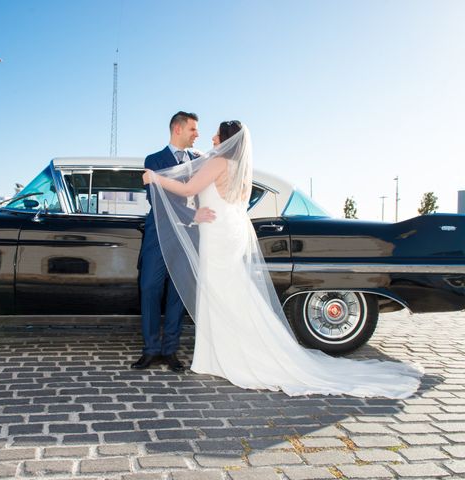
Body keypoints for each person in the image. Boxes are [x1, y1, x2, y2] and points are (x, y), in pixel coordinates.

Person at [142, 120, 423, 398]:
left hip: (216, 235)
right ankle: (225, 354)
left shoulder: (216, 163)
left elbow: (190, 191)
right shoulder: (238, 167)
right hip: (227, 232)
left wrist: (154, 177)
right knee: (231, 294)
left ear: (227, 139)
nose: (211, 137)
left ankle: (223, 357)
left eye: (217, 134)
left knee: (221, 294)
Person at [132, 111, 216, 373]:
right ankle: (150, 350)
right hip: (159, 232)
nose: (197, 134)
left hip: (189, 234)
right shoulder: (154, 160)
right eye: (193, 129)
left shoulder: (200, 161)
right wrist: (193, 213)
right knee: (149, 288)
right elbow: (156, 198)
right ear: (178, 129)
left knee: (178, 293)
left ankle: (170, 351)